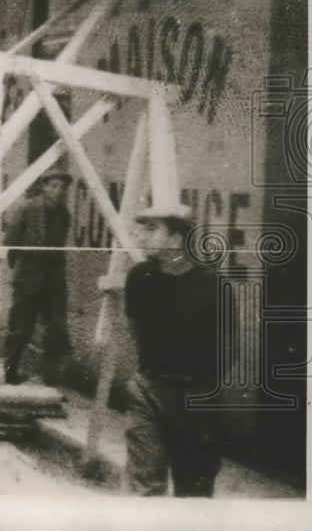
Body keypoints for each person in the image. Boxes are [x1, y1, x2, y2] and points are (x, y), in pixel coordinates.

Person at [113, 203, 223, 497]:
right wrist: (143, 381)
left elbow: (226, 352)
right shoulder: (139, 277)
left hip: (195, 398)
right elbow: (135, 330)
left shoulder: (210, 286)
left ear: (176, 238)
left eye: (151, 228)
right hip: (148, 391)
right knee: (144, 487)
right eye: (142, 227)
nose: (141, 235)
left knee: (194, 491)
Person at [0, 164, 73, 385]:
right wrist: (20, 268)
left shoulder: (64, 215)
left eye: (62, 187)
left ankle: (51, 377)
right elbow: (10, 240)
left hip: (52, 281)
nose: (58, 191)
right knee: (20, 328)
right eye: (53, 185)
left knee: (56, 330)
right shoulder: (28, 208)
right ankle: (10, 372)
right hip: (28, 278)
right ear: (44, 187)